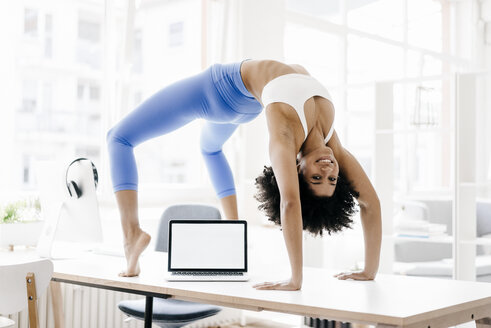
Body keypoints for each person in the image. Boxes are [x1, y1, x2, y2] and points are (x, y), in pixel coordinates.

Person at [106, 59, 382, 290]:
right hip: (247, 103)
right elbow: (370, 202)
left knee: (118, 138)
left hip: (220, 91)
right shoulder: (331, 143)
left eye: (316, 178)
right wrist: (370, 269)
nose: (328, 170)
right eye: (332, 179)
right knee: (210, 149)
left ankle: (131, 236)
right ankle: (233, 228)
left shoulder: (285, 136)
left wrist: (296, 278)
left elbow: (290, 202)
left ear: (297, 169)